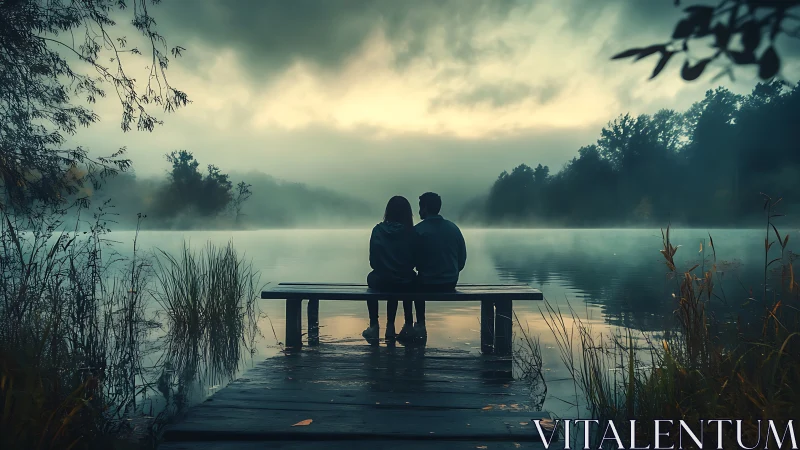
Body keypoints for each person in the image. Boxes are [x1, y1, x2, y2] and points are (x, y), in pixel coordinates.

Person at [407, 192, 467, 341]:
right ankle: (418, 325)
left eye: (421, 207)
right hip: (450, 282)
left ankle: (419, 324)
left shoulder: (418, 230)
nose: (419, 211)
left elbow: (410, 262)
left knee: (410, 282)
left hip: (426, 283)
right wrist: (450, 271)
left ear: (425, 207)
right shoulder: (453, 228)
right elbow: (462, 259)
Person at [362, 196, 416, 343]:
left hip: (382, 280)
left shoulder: (378, 230)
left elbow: (373, 261)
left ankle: (374, 325)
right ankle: (397, 325)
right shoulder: (411, 232)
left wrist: (385, 267)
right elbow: (415, 259)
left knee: (371, 278)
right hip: (405, 281)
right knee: (408, 279)